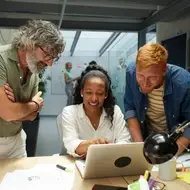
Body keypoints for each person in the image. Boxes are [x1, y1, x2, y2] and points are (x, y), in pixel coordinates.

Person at [0, 20, 65, 158]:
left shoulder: (34, 72)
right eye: (48, 55)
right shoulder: (1, 59)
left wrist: (16, 108)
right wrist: (33, 104)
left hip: (17, 142)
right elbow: (7, 113)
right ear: (31, 43)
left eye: (54, 58)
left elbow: (32, 116)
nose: (50, 63)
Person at [124, 43, 190, 156]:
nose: (145, 83)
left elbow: (189, 125)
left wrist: (169, 156)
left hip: (176, 141)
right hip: (148, 139)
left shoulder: (184, 83)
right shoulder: (131, 72)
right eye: (140, 76)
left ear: (164, 70)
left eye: (152, 77)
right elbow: (131, 111)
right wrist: (141, 150)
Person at [61, 64, 131, 157]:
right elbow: (71, 144)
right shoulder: (69, 112)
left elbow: (125, 141)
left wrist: (97, 150)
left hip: (109, 165)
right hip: (78, 166)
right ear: (82, 92)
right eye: (89, 92)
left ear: (105, 94)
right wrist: (96, 144)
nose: (94, 98)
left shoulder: (115, 111)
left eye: (99, 93)